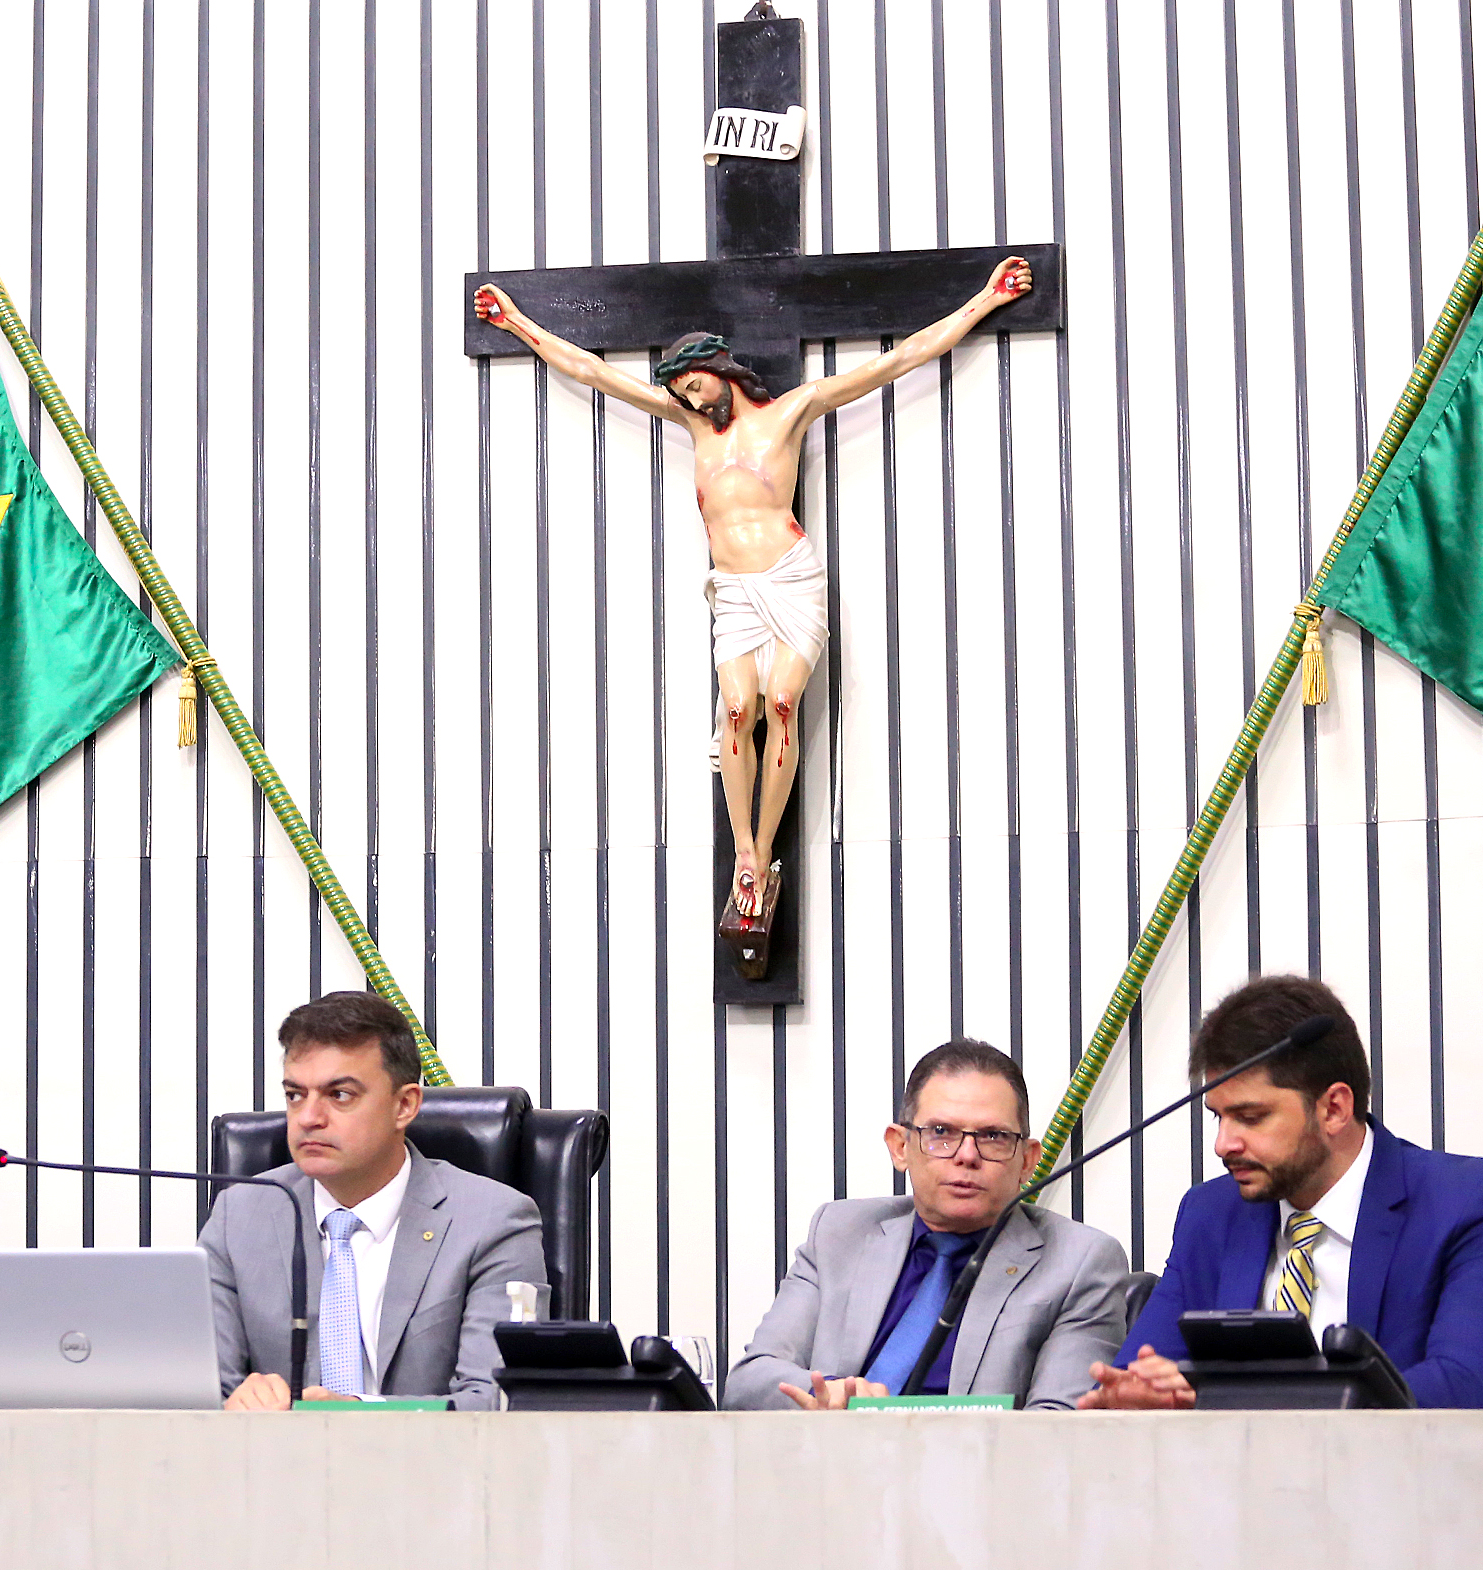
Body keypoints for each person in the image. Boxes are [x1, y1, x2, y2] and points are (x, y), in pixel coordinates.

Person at [473, 260, 1030, 949]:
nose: (687, 396)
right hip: (734, 590)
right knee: (739, 709)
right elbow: (592, 372)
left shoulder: (791, 412)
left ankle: (765, 847)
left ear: (720, 369)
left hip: (790, 578)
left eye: (693, 383)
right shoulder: (693, 428)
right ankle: (746, 850)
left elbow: (900, 359)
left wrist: (985, 299)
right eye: (679, 390)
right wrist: (517, 323)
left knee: (783, 703)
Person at [1081, 974, 1483, 1411]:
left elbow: (1465, 1390)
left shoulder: (1472, 1204)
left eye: (1251, 1117)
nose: (1223, 1144)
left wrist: (1227, 1398)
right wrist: (1136, 1396)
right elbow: (1135, 1377)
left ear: (1334, 1109)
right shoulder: (1211, 1213)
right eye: (1218, 1117)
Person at [724, 1040, 1130, 1411]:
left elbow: (1060, 1424)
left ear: (1027, 1160)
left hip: (977, 1466)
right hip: (827, 1460)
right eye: (941, 1133)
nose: (967, 1155)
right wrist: (828, 1396)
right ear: (900, 1147)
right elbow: (747, 1384)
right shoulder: (839, 1232)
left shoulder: (1080, 1263)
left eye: (992, 1136)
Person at [200, 991, 546, 1411]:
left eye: (340, 1095)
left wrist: (354, 1410)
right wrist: (236, 1403)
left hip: (429, 1455)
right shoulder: (239, 1215)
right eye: (295, 1095)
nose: (308, 1118)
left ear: (404, 1105)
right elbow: (196, 1390)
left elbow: (495, 1400)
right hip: (269, 1452)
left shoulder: (493, 1222)